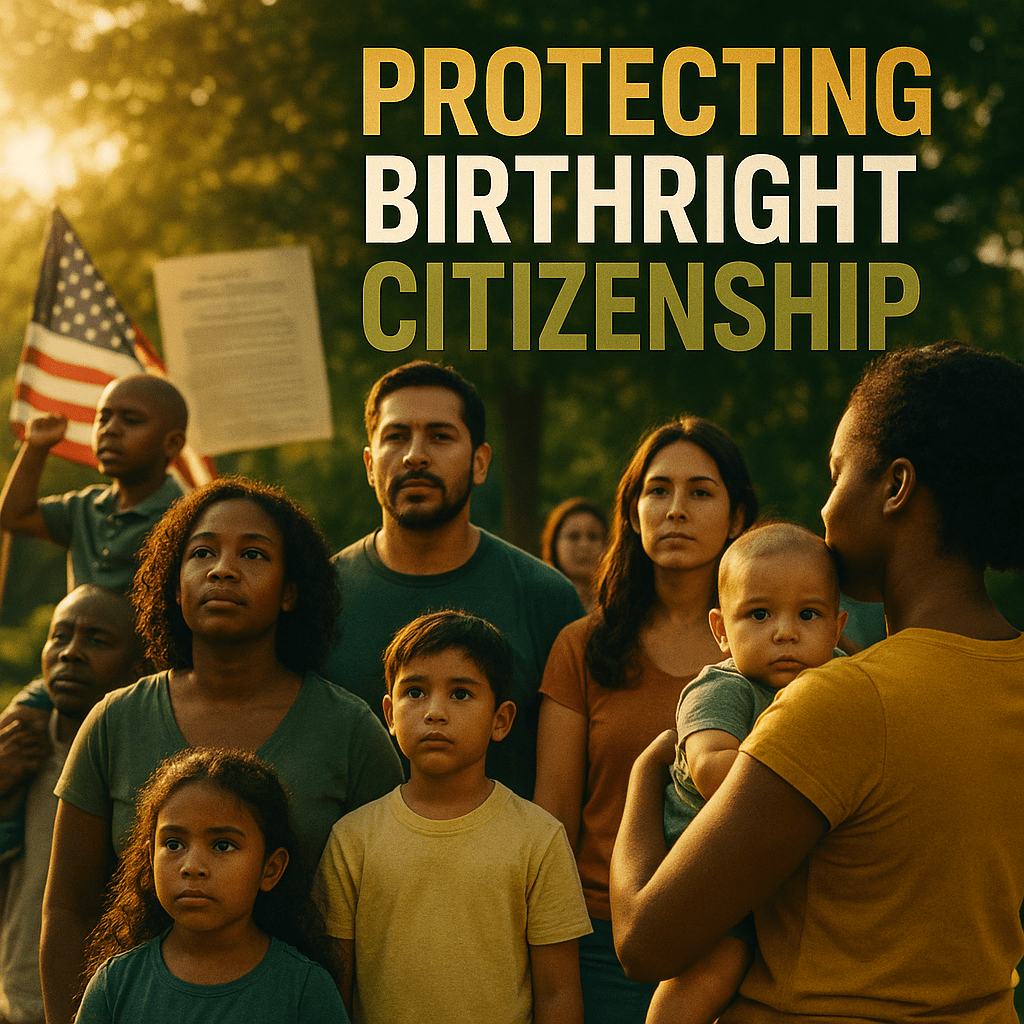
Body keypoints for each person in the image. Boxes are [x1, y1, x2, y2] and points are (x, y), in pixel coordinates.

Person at [610, 343, 1024, 1024]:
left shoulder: (844, 701)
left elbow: (645, 941)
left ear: (895, 487)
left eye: (838, 475)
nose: (824, 508)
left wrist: (647, 773)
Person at [41, 477, 402, 1024]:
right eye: (202, 552)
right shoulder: (115, 720)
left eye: (252, 554)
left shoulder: (350, 731)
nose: (222, 569)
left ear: (290, 590)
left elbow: (387, 921)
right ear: (175, 581)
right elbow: (67, 906)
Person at [534, 417, 758, 1024]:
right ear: (632, 514)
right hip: (599, 944)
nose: (676, 509)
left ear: (737, 518)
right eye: (657, 491)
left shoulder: (775, 651)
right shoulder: (581, 647)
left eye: (701, 492)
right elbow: (551, 821)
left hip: (742, 945)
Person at [319, 361, 584, 798]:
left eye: (440, 436)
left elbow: (574, 775)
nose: (414, 455)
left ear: (480, 463)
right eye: (396, 436)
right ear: (370, 464)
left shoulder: (546, 598)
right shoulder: (319, 597)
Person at [316, 610, 592, 1024]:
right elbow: (334, 987)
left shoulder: (538, 838)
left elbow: (558, 993)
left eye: (460, 694)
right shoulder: (353, 839)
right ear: (389, 715)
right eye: (415, 692)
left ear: (501, 721)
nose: (435, 712)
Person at [652, 523, 847, 1024]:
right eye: (759, 614)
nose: (785, 632)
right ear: (720, 630)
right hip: (711, 867)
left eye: (808, 614)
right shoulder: (724, 687)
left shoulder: (841, 681)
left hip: (777, 868)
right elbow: (712, 768)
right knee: (717, 966)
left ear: (837, 626)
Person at [76, 748, 349, 1023]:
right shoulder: (115, 985)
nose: (192, 866)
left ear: (271, 869)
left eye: (222, 845)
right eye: (173, 844)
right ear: (150, 858)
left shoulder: (305, 989)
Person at [0, 586, 143, 1024]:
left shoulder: (138, 772)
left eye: (98, 641)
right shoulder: (19, 748)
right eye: (59, 637)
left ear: (142, 667)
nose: (71, 654)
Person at [0, 374, 189, 594]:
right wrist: (35, 449)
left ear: (172, 444)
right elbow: (14, 516)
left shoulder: (185, 520)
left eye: (131, 420)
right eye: (103, 418)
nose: (109, 429)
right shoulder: (83, 508)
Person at [541, 498, 609, 612]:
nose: (584, 545)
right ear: (553, 544)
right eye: (573, 536)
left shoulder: (623, 606)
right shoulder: (537, 604)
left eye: (593, 536)